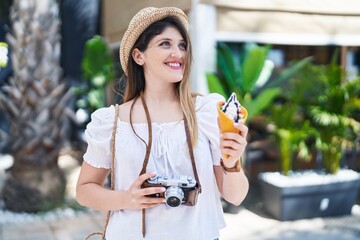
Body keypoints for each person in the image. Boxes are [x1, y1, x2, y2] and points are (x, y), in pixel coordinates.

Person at [76, 6, 249, 240]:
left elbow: (236, 196)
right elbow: (84, 191)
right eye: (165, 43)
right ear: (139, 56)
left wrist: (231, 163)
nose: (178, 53)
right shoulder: (111, 122)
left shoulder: (206, 112)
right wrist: (127, 199)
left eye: (182, 45)